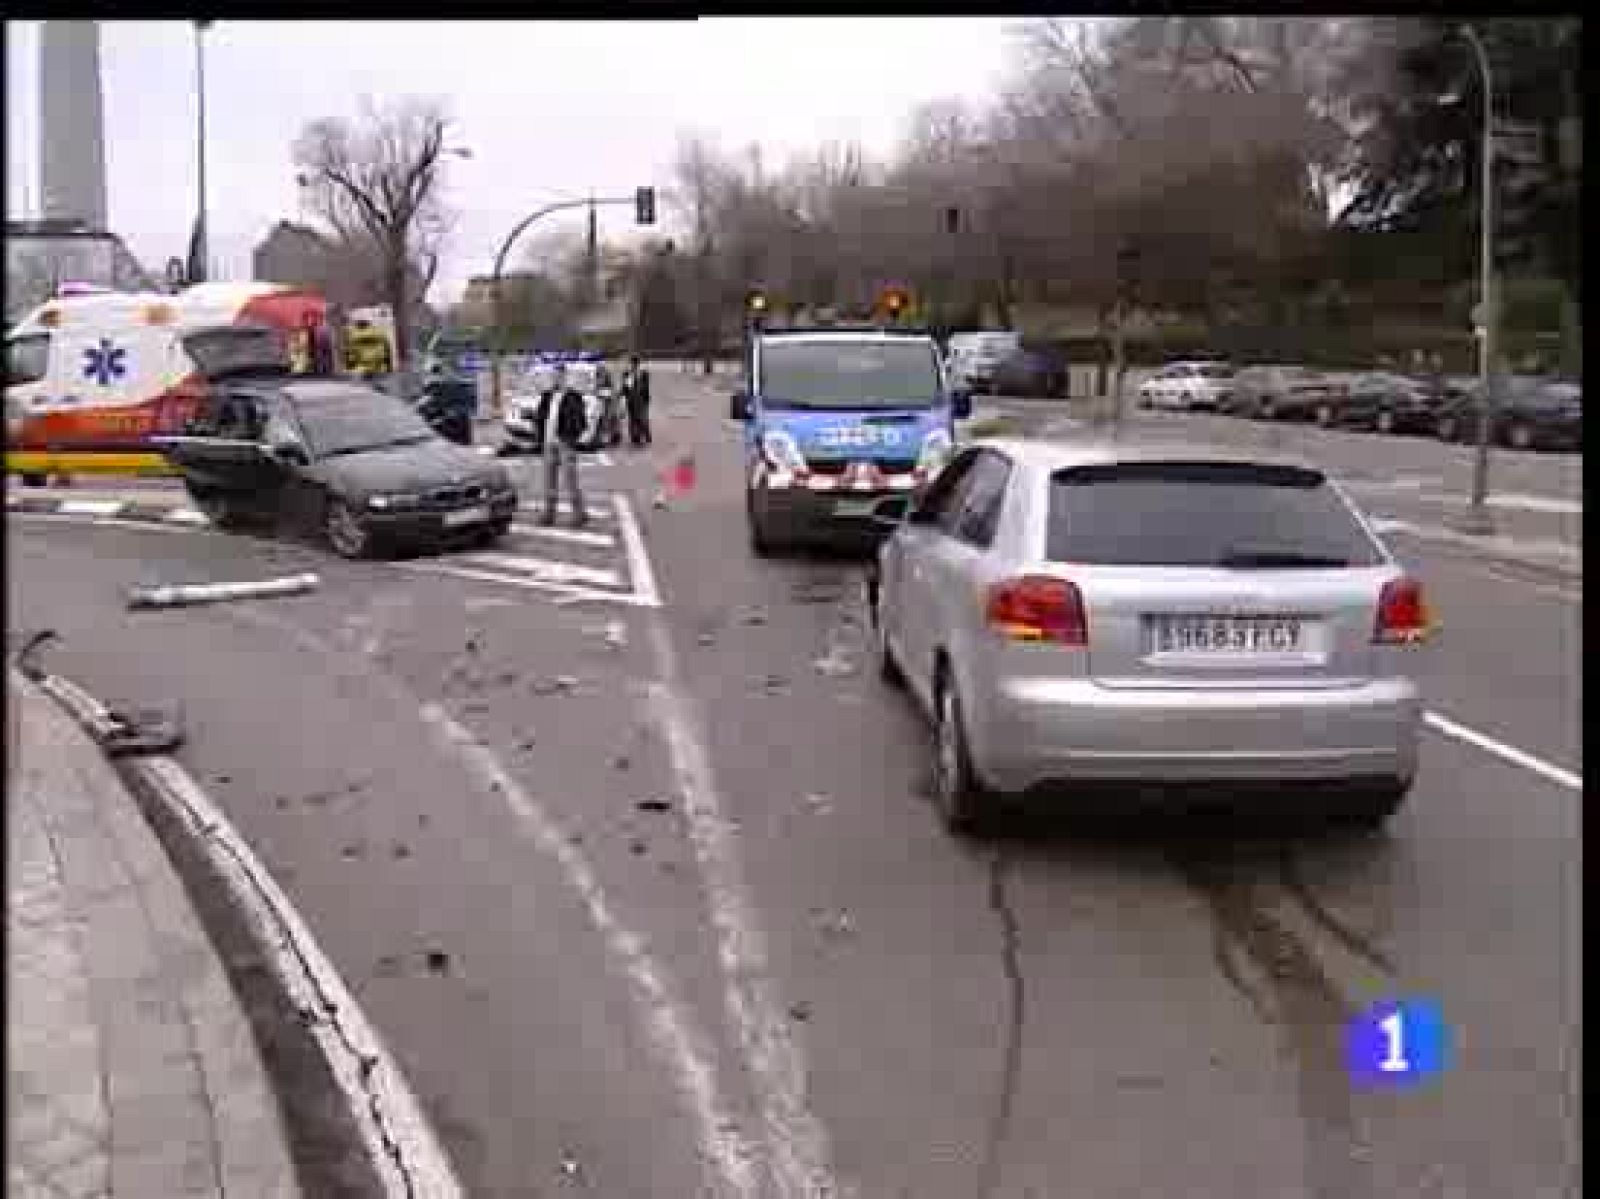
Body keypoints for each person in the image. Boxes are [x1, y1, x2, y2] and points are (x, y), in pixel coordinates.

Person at [535, 364, 589, 527]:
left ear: (565, 377)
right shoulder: (547, 395)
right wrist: (540, 436)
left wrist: (571, 438)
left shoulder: (574, 396)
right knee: (549, 480)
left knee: (570, 480)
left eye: (559, 376)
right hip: (548, 442)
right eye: (554, 376)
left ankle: (579, 514)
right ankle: (549, 514)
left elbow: (581, 421)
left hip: (565, 443)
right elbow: (540, 417)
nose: (556, 379)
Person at [623, 354, 653, 447]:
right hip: (632, 399)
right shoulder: (627, 373)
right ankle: (635, 437)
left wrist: (646, 398)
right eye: (633, 363)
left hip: (641, 399)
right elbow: (625, 387)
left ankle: (645, 435)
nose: (634, 365)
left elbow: (646, 387)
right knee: (633, 418)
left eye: (635, 363)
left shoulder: (643, 373)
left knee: (642, 418)